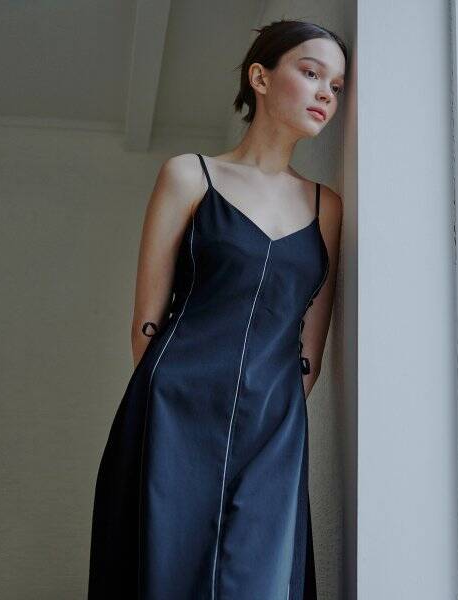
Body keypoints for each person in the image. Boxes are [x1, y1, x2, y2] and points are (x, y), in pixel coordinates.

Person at [88, 18, 346, 600]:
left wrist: (267, 406)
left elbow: (311, 347)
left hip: (274, 422)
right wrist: (175, 404)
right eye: (311, 73)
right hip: (175, 409)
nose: (326, 94)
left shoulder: (326, 207)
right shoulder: (190, 175)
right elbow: (146, 321)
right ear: (261, 77)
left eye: (336, 85)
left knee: (259, 576)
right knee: (165, 570)